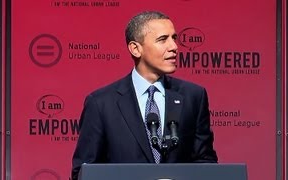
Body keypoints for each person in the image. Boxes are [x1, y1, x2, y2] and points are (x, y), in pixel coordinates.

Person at [71, 11, 218, 180]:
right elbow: (83, 173)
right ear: (135, 48)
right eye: (163, 40)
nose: (174, 47)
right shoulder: (101, 103)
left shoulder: (194, 96)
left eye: (174, 38)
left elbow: (205, 163)